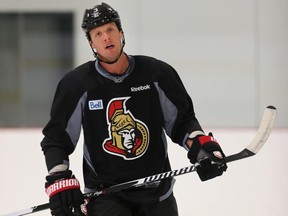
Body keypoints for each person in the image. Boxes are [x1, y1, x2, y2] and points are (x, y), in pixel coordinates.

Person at [41, 2, 227, 216]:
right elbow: (57, 139)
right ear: (92, 43)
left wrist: (201, 148)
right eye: (98, 33)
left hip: (158, 193)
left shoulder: (157, 74)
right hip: (106, 196)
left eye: (110, 29)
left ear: (121, 33)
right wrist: (60, 177)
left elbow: (182, 122)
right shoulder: (77, 85)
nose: (106, 38)